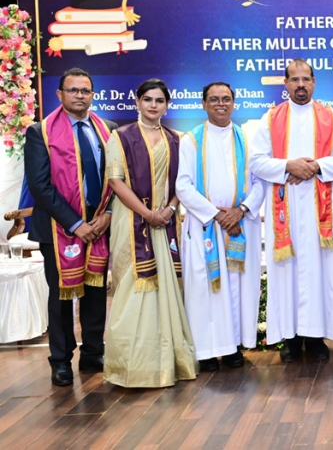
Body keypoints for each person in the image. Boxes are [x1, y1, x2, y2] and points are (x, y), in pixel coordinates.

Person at [250, 59, 333, 361]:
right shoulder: (270, 119)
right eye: (294, 80)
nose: (300, 85)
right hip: (285, 209)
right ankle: (291, 339)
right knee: (288, 271)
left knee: (321, 270)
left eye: (305, 79)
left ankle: (317, 337)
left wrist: (315, 166)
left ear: (313, 82)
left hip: (322, 210)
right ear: (285, 83)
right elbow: (256, 161)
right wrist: (288, 166)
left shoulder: (330, 117)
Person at [24, 68, 116, 386]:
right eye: (73, 90)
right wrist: (76, 224)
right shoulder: (40, 132)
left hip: (99, 224)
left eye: (85, 90)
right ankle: (61, 361)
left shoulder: (108, 130)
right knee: (62, 297)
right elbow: (39, 185)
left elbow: (118, 178)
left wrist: (108, 214)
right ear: (60, 94)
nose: (79, 95)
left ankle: (93, 354)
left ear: (93, 95)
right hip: (58, 227)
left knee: (95, 292)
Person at [104, 78, 198, 387]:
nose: (153, 105)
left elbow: (183, 182)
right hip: (131, 220)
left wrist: (169, 210)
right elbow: (116, 181)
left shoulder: (177, 139)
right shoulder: (120, 137)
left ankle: (168, 362)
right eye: (148, 99)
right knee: (133, 288)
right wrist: (148, 214)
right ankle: (132, 367)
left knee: (166, 287)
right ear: (137, 102)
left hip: (166, 221)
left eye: (159, 100)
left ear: (167, 105)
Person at [176, 82, 265, 371]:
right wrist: (216, 214)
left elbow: (260, 182)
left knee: (238, 287)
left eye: (226, 99)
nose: (220, 104)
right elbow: (183, 186)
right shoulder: (191, 140)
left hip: (241, 224)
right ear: (203, 104)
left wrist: (241, 210)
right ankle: (206, 350)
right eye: (214, 99)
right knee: (206, 289)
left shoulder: (248, 139)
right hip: (206, 226)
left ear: (234, 103)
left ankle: (233, 347)